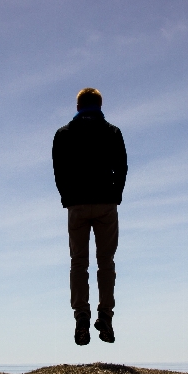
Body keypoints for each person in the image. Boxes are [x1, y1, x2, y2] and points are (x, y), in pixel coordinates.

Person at [52, 88, 128, 345]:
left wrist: (67, 198)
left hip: (78, 206)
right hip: (106, 203)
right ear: (100, 105)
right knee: (106, 262)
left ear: (78, 107)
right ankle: (105, 316)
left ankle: (81, 317)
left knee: (78, 263)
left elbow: (58, 169)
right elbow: (122, 166)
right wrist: (115, 195)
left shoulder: (64, 134)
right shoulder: (112, 132)